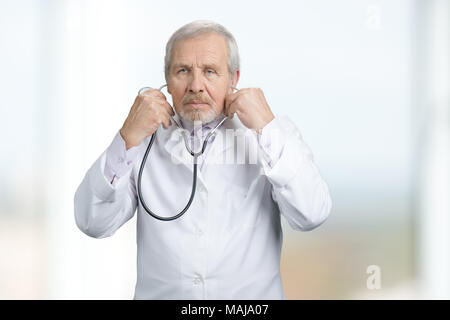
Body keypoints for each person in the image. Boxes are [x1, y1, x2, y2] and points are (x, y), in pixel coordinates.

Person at [74, 20, 332, 299]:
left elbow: (311, 213)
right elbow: (93, 221)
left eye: (210, 72)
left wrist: (266, 127)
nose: (196, 85)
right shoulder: (142, 140)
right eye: (183, 71)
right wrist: (127, 137)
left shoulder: (270, 136)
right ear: (167, 81)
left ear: (233, 79)